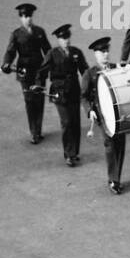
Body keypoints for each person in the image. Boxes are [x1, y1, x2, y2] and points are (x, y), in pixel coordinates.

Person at [0, 2, 51, 144]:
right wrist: (6, 63)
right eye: (24, 16)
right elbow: (10, 52)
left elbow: (47, 50)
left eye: (29, 16)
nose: (28, 19)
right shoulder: (16, 34)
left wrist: (51, 65)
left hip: (39, 70)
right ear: (20, 18)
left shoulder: (39, 32)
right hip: (24, 71)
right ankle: (34, 132)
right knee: (30, 101)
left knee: (39, 100)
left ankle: (38, 130)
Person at [37, 24, 87, 167]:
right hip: (59, 92)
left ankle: (75, 152)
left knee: (76, 122)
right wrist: (38, 85)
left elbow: (85, 70)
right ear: (58, 40)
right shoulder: (52, 54)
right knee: (66, 122)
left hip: (74, 91)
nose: (66, 41)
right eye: (63, 38)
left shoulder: (76, 52)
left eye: (67, 37)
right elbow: (42, 71)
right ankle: (69, 154)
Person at [81, 37, 127, 193]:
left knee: (120, 145)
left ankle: (117, 177)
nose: (106, 54)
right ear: (96, 54)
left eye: (107, 51)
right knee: (110, 146)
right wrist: (90, 110)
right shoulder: (90, 73)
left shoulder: (116, 68)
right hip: (103, 115)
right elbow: (84, 96)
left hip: (120, 114)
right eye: (102, 52)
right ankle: (113, 180)